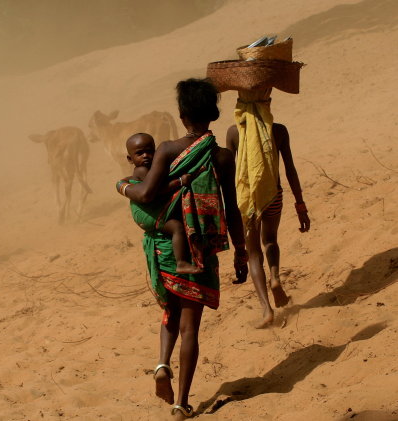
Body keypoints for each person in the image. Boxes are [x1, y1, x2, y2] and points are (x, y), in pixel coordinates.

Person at [117, 78, 248, 419]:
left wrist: (121, 185)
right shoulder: (222, 157)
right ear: (214, 115)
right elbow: (231, 209)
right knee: (191, 328)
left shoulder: (167, 149)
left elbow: (146, 194)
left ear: (181, 113)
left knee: (169, 314)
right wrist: (240, 251)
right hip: (201, 251)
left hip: (165, 248)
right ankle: (181, 404)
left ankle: (161, 365)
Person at [226, 87, 310, 329]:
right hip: (274, 195)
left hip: (247, 203)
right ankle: (275, 277)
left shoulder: (233, 133)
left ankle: (265, 308)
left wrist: (229, 212)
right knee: (270, 241)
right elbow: (290, 169)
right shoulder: (279, 131)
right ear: (267, 104)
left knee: (253, 254)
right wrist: (300, 204)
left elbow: (231, 177)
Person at [121, 132, 203, 275]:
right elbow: (155, 190)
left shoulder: (149, 169)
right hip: (149, 213)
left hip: (151, 211)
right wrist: (180, 182)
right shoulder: (142, 170)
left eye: (149, 151)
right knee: (177, 227)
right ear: (130, 158)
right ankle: (181, 263)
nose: (145, 156)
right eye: (140, 153)